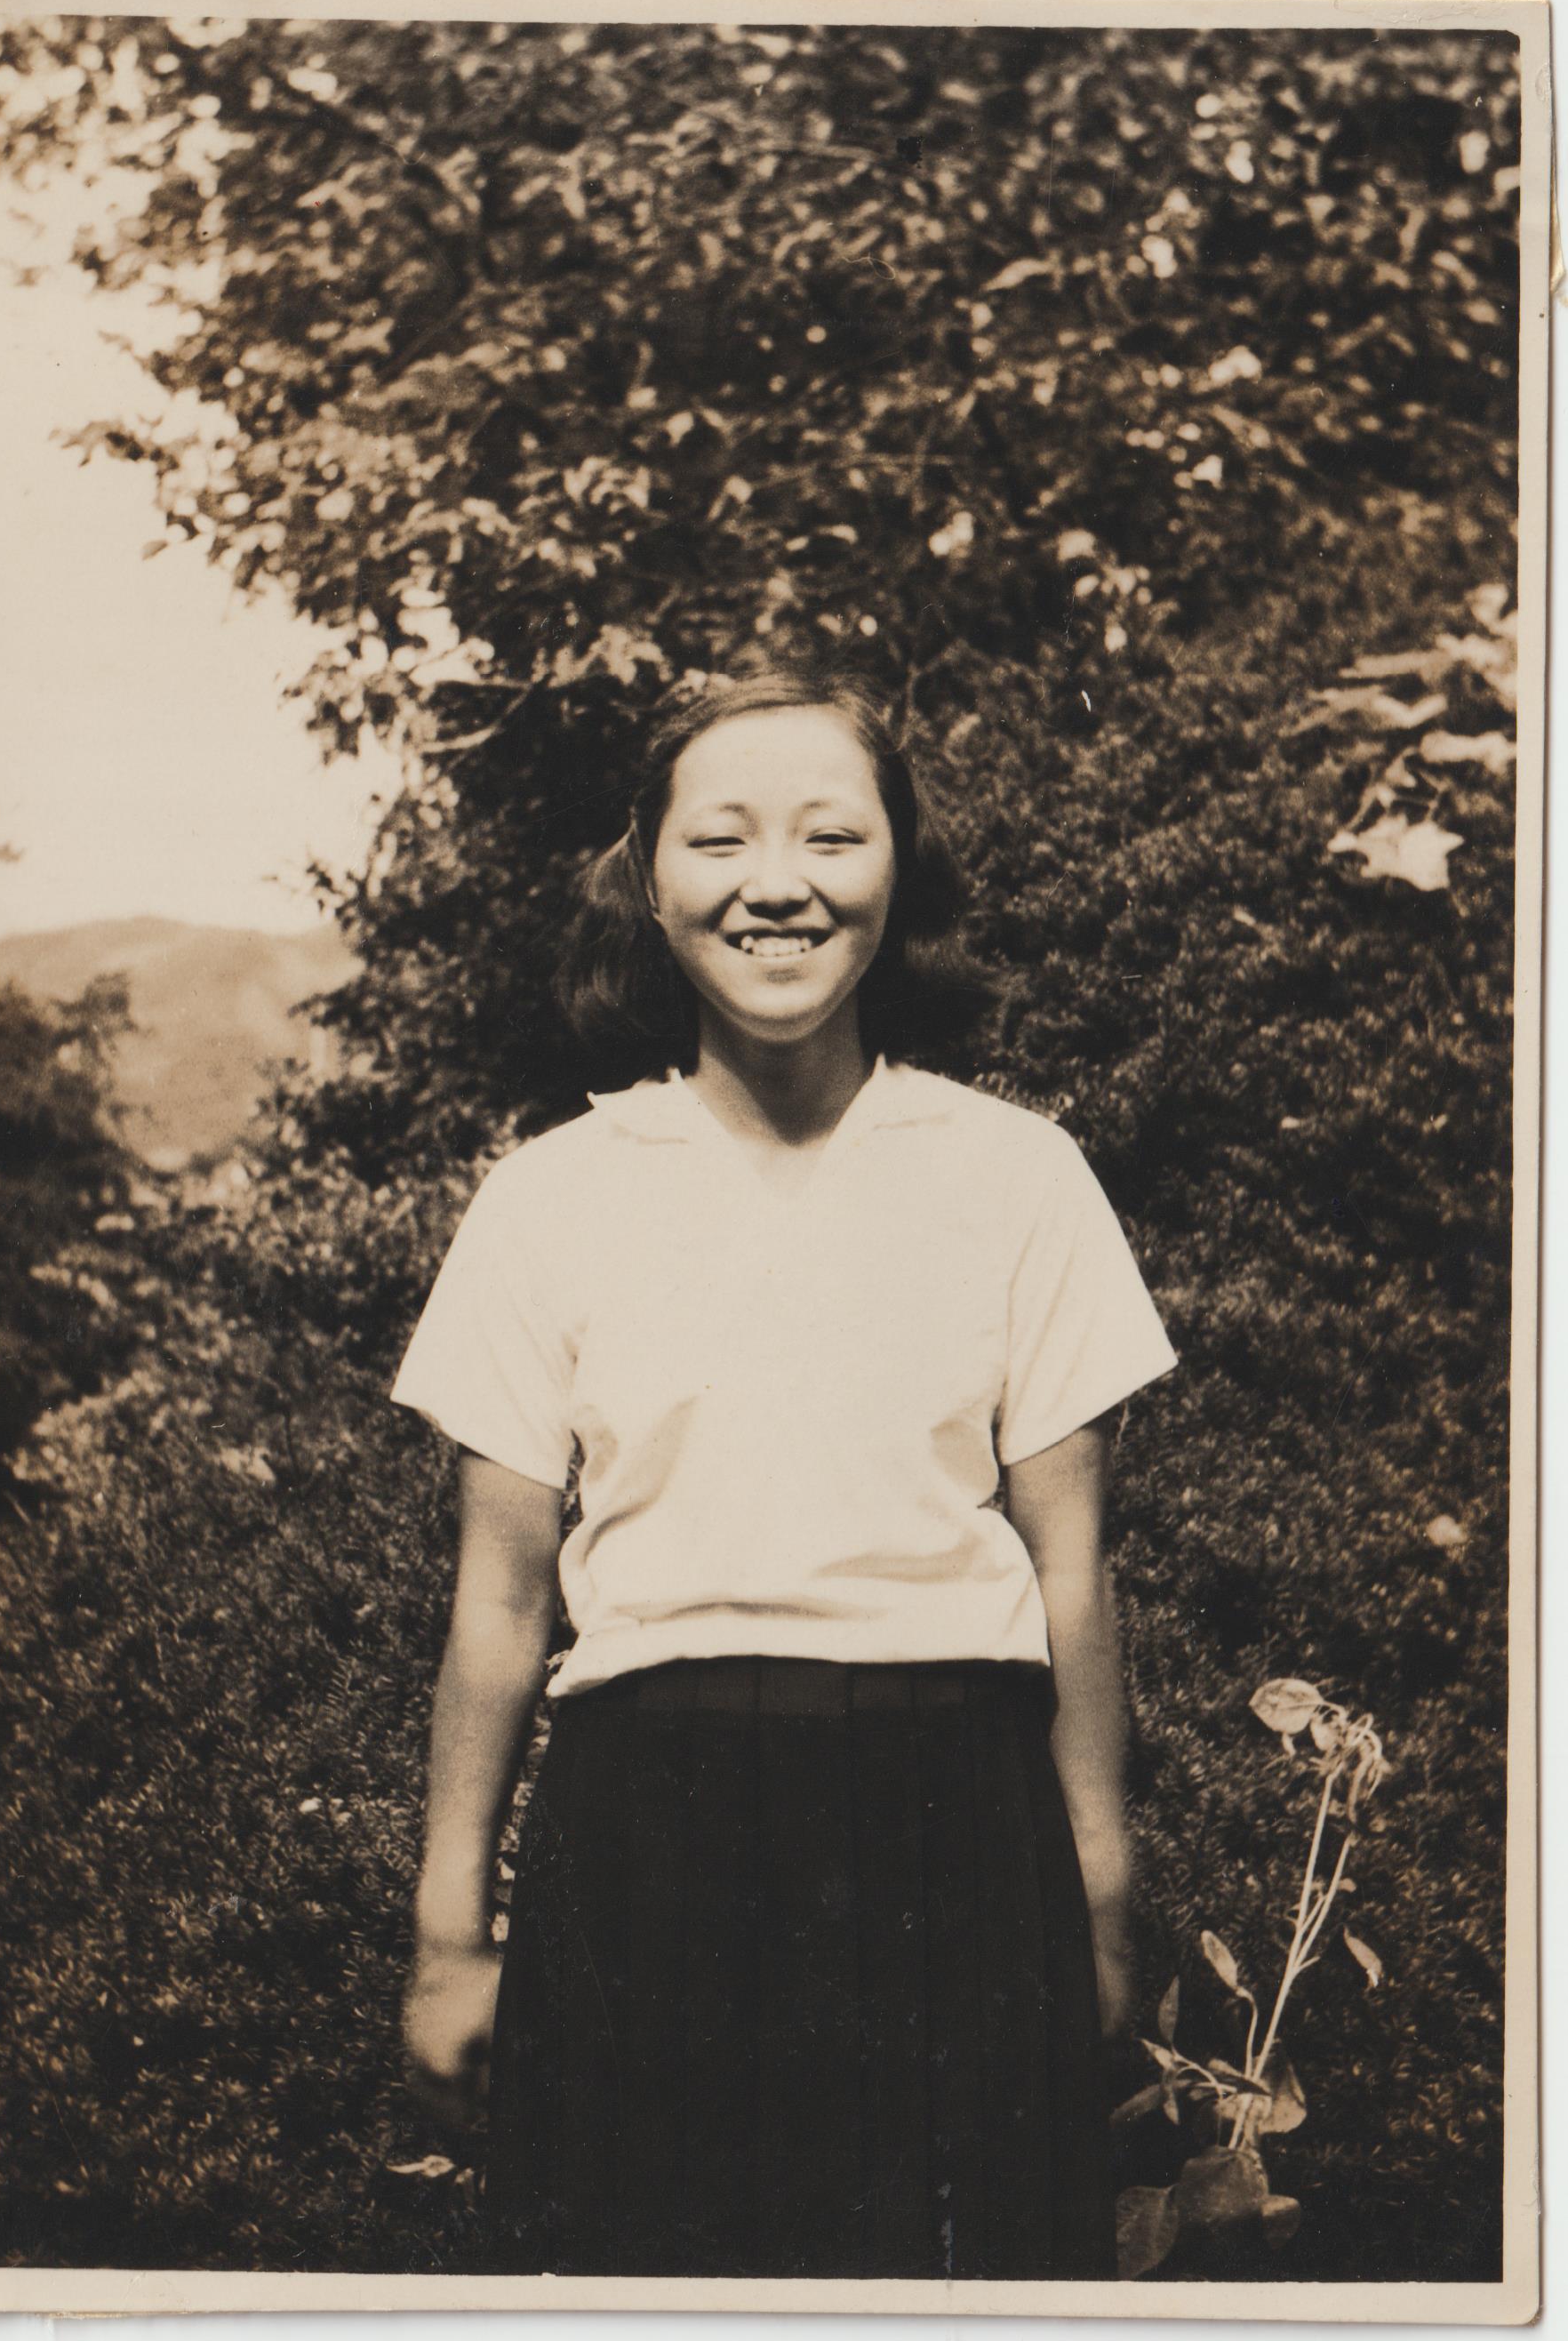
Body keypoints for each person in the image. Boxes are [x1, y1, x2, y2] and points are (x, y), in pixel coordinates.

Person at [389, 666, 1178, 2281]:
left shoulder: (1019, 1178)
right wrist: (447, 1936)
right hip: (646, 1835)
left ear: (898, 866)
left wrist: (1100, 1895)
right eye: (720, 839)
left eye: (831, 835)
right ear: (647, 876)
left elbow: (1071, 1571)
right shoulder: (547, 1199)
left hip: (958, 1828)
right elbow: (500, 1600)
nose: (777, 885)